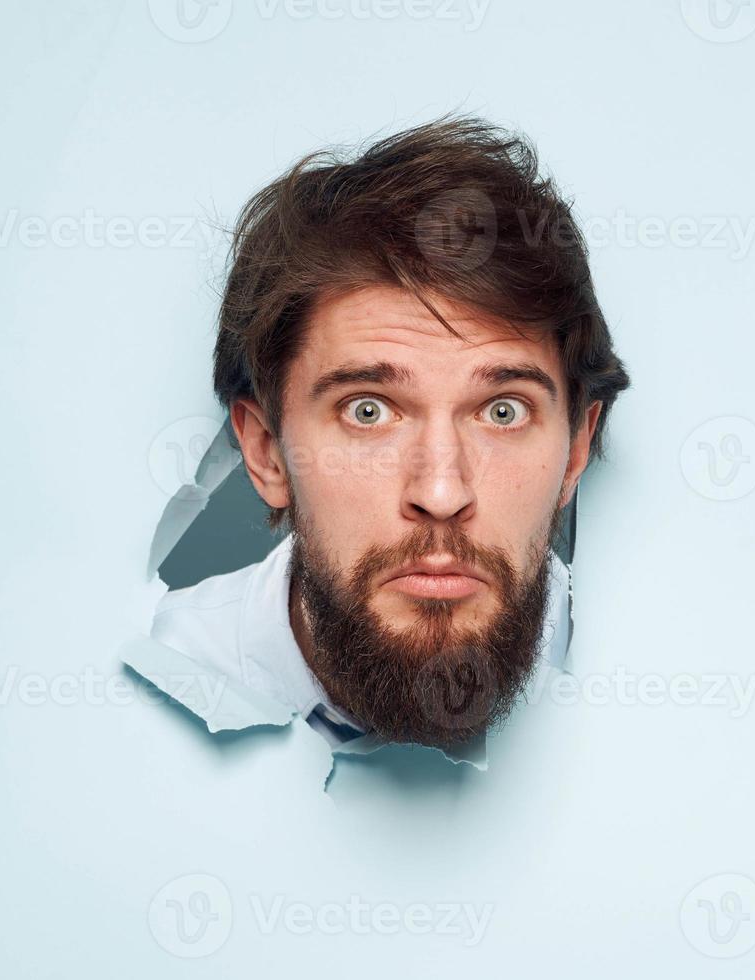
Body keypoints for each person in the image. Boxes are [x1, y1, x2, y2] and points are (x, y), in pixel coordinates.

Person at [135, 117, 630, 756]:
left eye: (502, 411)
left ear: (576, 451)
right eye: (368, 411)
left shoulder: (662, 674)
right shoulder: (159, 686)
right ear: (266, 451)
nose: (442, 492)